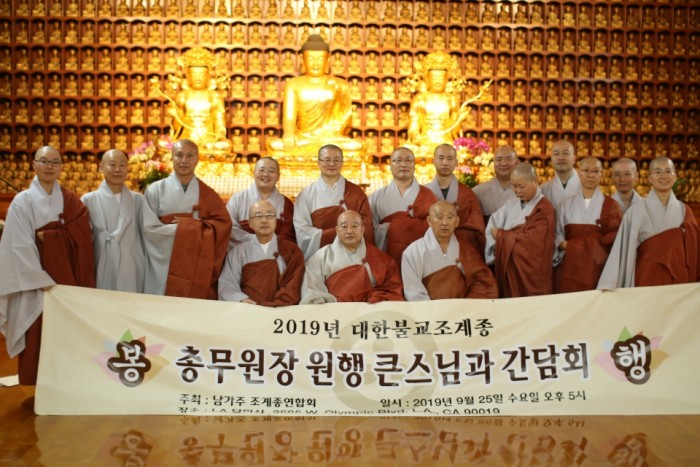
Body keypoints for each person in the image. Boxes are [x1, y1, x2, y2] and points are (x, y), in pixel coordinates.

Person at [0, 146, 95, 385]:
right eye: (44, 161)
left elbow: (84, 234)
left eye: (55, 162)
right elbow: (18, 245)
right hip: (35, 282)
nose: (50, 166)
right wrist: (39, 278)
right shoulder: (22, 202)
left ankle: (64, 382)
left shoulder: (71, 200)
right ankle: (39, 384)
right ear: (34, 165)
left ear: (61, 167)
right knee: (36, 331)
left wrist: (53, 237)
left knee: (66, 331)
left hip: (65, 280)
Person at [142, 139, 232, 299]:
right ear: (172, 157)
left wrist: (189, 226)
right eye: (179, 155)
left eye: (190, 156)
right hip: (163, 258)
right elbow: (148, 228)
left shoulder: (207, 193)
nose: (184, 160)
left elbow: (223, 225)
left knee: (191, 302)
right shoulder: (155, 190)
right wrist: (187, 228)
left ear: (197, 159)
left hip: (194, 256)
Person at [598, 157, 699, 289]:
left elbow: (694, 248)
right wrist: (609, 284)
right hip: (646, 277)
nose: (663, 176)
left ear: (675, 176)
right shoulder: (635, 212)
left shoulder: (684, 211)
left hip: (678, 280)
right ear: (650, 178)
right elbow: (622, 253)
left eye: (668, 171)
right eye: (658, 172)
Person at [266, 35, 364, 161]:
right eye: (311, 58)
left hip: (331, 138)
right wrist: (289, 133)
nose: (316, 63)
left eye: (320, 58)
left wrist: (331, 133)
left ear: (328, 60)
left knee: (357, 147)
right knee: (275, 146)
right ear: (302, 59)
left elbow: (344, 118)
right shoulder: (293, 84)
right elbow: (289, 118)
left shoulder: (339, 85)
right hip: (303, 139)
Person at [301, 210, 404, 304]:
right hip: (333, 313)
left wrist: (376, 298)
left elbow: (394, 292)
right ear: (337, 230)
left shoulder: (382, 260)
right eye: (344, 226)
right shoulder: (320, 257)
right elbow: (312, 292)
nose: (349, 231)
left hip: (369, 313)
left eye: (354, 226)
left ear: (362, 229)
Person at [402, 201, 498, 301]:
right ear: (429, 221)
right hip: (429, 309)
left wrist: (466, 306)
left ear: (456, 222)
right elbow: (414, 293)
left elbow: (483, 282)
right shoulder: (412, 253)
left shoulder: (466, 249)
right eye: (439, 217)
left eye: (450, 217)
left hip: (463, 308)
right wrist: (435, 310)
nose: (445, 222)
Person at [485, 162, 555, 297]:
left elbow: (531, 243)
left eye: (522, 187)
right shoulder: (511, 205)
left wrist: (500, 235)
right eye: (514, 186)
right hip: (509, 269)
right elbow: (492, 226)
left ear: (535, 182)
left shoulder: (544, 209)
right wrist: (498, 243)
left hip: (533, 274)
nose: (517, 191)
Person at [553, 157, 622, 293]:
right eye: (586, 170)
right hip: (569, 266)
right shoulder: (565, 205)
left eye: (595, 171)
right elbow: (556, 234)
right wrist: (566, 245)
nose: (590, 175)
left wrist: (573, 245)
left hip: (597, 268)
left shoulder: (611, 206)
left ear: (601, 173)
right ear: (579, 172)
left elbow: (615, 238)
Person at [81, 149, 146, 293]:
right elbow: (82, 238)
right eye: (112, 164)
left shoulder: (138, 200)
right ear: (101, 167)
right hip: (103, 260)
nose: (117, 169)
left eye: (122, 165)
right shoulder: (88, 200)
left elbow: (149, 233)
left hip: (132, 265)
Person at [293, 144, 373, 259]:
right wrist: (336, 233)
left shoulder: (356, 192)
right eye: (327, 160)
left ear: (342, 163)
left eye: (336, 160)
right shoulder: (305, 195)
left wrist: (344, 233)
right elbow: (302, 230)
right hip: (320, 257)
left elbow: (366, 226)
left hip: (352, 256)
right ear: (318, 162)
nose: (331, 164)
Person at [219, 200, 304, 306]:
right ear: (250, 223)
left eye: (269, 215)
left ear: (275, 221)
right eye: (258, 216)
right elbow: (227, 285)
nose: (264, 220)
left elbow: (294, 286)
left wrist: (277, 305)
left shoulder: (291, 251)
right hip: (249, 310)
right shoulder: (238, 252)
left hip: (282, 310)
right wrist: (242, 299)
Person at [405, 50, 482, 160]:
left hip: (447, 142)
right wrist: (415, 135)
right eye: (434, 78)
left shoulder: (451, 99)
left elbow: (454, 130)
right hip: (425, 143)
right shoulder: (420, 98)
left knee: (461, 153)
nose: (438, 81)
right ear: (427, 79)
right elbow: (414, 123)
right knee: (408, 149)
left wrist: (460, 119)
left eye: (441, 78)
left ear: (447, 80)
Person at [369, 147, 438, 268]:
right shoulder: (376, 198)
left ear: (414, 165)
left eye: (408, 160)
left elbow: (436, 228)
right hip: (387, 261)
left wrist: (397, 227)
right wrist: (387, 229)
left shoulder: (428, 195)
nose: (403, 164)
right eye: (398, 160)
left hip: (420, 259)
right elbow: (368, 231)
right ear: (390, 165)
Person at [160, 47, 230, 155]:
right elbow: (177, 126)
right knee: (162, 144)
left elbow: (219, 121)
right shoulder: (182, 96)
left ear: (208, 76)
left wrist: (220, 137)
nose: (198, 78)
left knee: (225, 146)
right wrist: (175, 115)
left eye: (202, 75)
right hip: (186, 138)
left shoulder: (214, 96)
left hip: (209, 140)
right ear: (188, 76)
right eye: (194, 75)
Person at [424, 143, 486, 256]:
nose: (445, 162)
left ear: (456, 163)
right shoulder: (423, 192)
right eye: (441, 158)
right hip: (428, 250)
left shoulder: (467, 194)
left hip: (461, 250)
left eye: (450, 158)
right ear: (433, 161)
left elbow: (477, 228)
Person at [226, 157, 295, 248]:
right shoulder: (238, 199)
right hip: (242, 254)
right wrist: (255, 241)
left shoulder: (286, 203)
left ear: (278, 176)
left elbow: (288, 236)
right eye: (261, 170)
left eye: (271, 171)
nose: (265, 174)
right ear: (253, 173)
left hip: (275, 254)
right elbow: (228, 229)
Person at [472, 145, 519, 222]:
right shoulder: (478, 191)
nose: (503, 163)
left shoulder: (526, 191)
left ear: (517, 163)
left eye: (508, 159)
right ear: (493, 163)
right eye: (499, 159)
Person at [541, 140, 581, 207]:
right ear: (551, 159)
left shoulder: (587, 187)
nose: (561, 158)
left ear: (574, 158)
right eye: (556, 153)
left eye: (566, 153)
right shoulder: (543, 189)